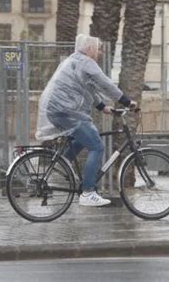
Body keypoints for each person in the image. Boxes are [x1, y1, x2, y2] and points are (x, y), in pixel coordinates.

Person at [36, 34, 137, 207]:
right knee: (96, 145)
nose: (99, 53)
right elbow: (105, 83)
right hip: (66, 111)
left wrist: (102, 107)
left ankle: (64, 161)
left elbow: (86, 87)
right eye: (97, 49)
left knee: (89, 134)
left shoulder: (73, 60)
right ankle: (88, 192)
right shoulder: (87, 62)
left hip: (57, 110)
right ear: (89, 49)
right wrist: (127, 101)